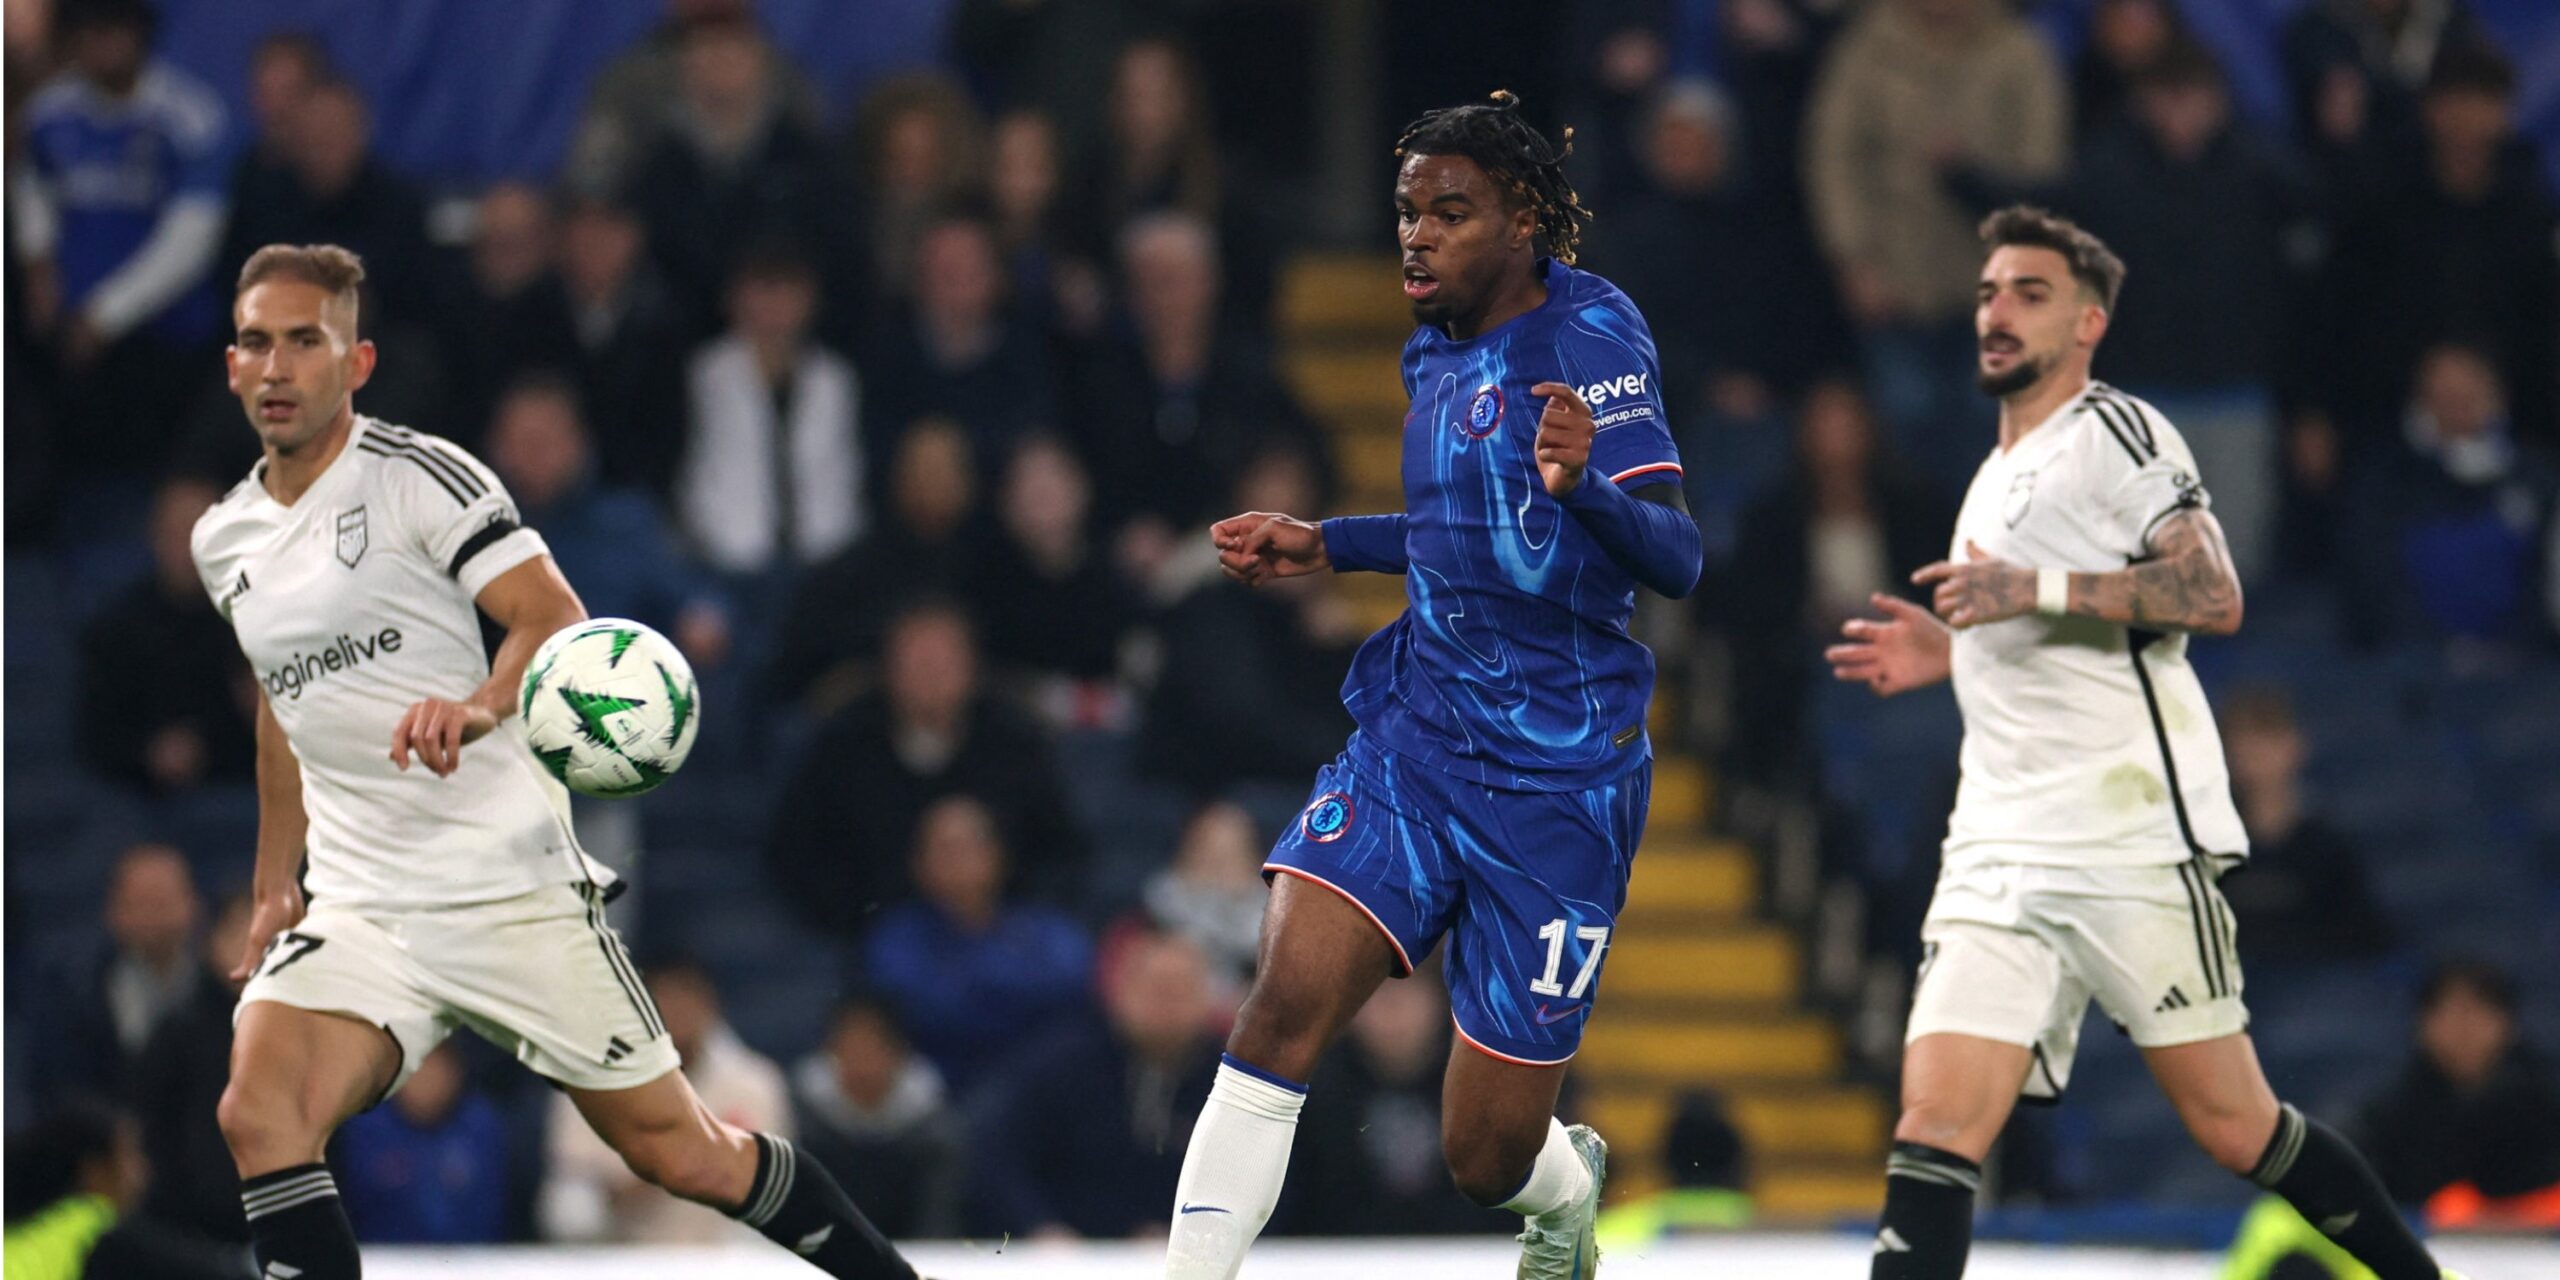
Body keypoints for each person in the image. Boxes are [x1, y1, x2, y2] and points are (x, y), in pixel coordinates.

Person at [190, 243, 920, 1279]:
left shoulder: (420, 478)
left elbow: (551, 617)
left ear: (356, 363)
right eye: (257, 342)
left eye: (304, 341)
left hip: (506, 884)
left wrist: (481, 704)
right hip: (362, 903)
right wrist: (276, 881)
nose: (276, 366)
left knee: (682, 1152)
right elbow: (281, 700)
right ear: (231, 365)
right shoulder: (223, 538)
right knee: (259, 1109)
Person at [1822, 207, 2455, 1280]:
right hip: (1996, 847)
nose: (1997, 311)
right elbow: (2045, 636)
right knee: (1935, 1121)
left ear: (2088, 323)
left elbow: (2212, 593)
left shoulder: (2116, 432)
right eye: (1987, 292)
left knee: (2236, 1126)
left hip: (2125, 841)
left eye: (2029, 293)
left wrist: (2031, 588)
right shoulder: (1995, 471)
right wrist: (1956, 650)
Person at [1164, 92, 1702, 1279]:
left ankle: (1564, 1192)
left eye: (1449, 212)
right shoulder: (1432, 346)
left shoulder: (1590, 336)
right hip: (1418, 736)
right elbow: (1465, 530)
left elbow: (1676, 556)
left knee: (1484, 1151)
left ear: (1521, 222)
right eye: (1407, 210)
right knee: (1278, 1007)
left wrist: (1586, 489)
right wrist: (1328, 542)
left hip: (1560, 784)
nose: (1416, 235)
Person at [15, 0, 231, 472]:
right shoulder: (49, 113)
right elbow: (32, 187)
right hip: (70, 335)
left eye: (113, 30)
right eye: (89, 33)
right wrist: (38, 260)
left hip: (166, 339)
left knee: (157, 472)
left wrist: (106, 316)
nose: (102, 46)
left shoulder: (188, 115)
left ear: (140, 34)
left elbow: (192, 238)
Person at [977, 928, 1223, 1240]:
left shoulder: (1231, 1082)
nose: (1167, 1007)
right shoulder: (1062, 1067)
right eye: (1157, 989)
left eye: (1181, 991)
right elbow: (998, 1155)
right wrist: (1039, 1227)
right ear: (1121, 991)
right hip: (1071, 1251)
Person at [542, 958, 794, 1245]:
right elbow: (566, 1216)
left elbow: (777, 1200)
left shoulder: (755, 1085)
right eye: (664, 1000)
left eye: (688, 999)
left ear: (710, 1006)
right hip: (622, 1256)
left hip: (724, 1258)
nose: (678, 1013)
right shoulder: (590, 1084)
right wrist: (655, 1173)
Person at [862, 795, 1094, 1090]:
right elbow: (918, 1009)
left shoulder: (1046, 930)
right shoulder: (896, 938)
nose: (957, 861)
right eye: (945, 849)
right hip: (936, 1090)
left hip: (1037, 1085)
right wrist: (1011, 994)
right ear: (918, 863)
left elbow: (1075, 984)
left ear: (1000, 856)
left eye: (970, 845)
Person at [679, 240, 867, 579]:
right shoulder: (706, 374)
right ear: (735, 298)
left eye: (788, 292)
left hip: (824, 554)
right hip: (727, 555)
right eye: (764, 290)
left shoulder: (835, 379)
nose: (775, 306)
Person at [77, 477, 258, 793]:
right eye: (177, 533)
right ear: (154, 536)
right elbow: (94, 736)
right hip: (139, 796)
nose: (188, 547)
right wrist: (149, 754)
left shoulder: (255, 619)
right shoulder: (116, 628)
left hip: (243, 788)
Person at [2357, 961, 2560, 1225]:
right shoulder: (2389, 1113)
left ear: (2508, 1023)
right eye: (2449, 1013)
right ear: (2423, 1025)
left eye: (2478, 1012)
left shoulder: (2547, 1100)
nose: (2464, 1029)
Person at [37, 843, 208, 1106]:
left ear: (193, 904)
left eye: (162, 902)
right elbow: (64, 1086)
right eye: (140, 903)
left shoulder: (223, 988)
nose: (153, 916)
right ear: (113, 910)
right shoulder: (79, 990)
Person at [2, 1099, 246, 1280]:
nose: (144, 1172)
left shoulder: (25, 1228)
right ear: (94, 1172)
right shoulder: (92, 1231)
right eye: (130, 1156)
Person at [791, 994, 967, 1240]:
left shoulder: (932, 1135)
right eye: (850, 1047)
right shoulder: (799, 1122)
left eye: (873, 1047)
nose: (861, 1060)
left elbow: (937, 1225)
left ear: (899, 1052)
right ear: (830, 1049)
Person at [333, 1043, 509, 1244]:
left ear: (457, 1072)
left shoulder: (480, 1126)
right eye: (417, 1071)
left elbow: (495, 1215)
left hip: (473, 1257)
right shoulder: (364, 1128)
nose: (427, 1082)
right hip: (378, 1256)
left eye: (438, 1070)